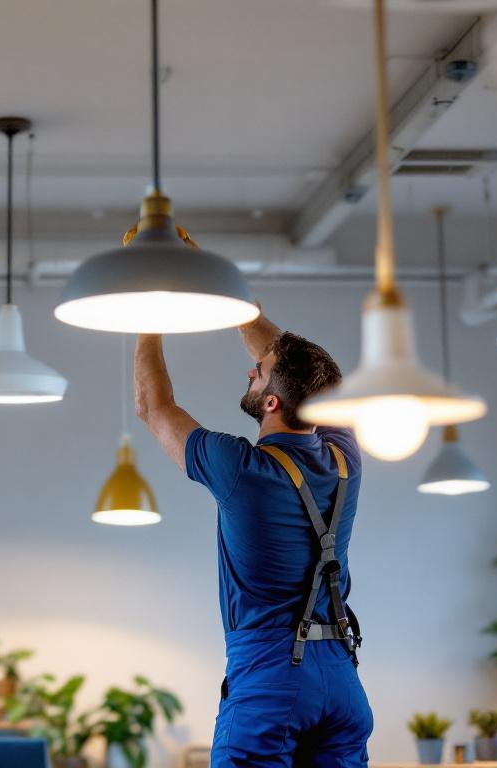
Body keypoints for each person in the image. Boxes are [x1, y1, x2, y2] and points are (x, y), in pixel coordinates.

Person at [132, 308, 373, 768]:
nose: (251, 369)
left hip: (271, 684)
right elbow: (292, 362)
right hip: (344, 686)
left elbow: (153, 407)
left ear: (270, 403)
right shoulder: (346, 460)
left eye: (258, 374)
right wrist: (233, 302)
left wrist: (149, 311)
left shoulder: (240, 469)